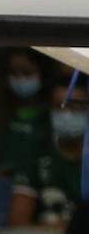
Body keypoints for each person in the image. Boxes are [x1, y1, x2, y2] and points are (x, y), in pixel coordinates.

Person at [9, 75, 88, 226]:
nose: (66, 114)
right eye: (59, 106)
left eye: (75, 106)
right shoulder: (36, 148)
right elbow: (18, 221)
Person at [0, 48, 53, 180]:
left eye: (27, 72)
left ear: (41, 71)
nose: (21, 78)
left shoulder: (53, 114)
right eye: (14, 73)